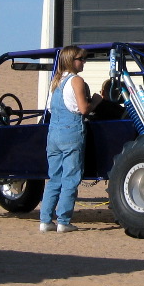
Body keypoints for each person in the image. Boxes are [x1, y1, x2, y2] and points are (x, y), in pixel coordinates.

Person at [39, 46, 102, 233]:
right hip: (71, 132)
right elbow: (83, 109)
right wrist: (98, 99)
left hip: (54, 133)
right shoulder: (76, 81)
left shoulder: (57, 81)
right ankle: (63, 221)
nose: (84, 62)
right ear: (70, 60)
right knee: (70, 178)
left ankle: (45, 219)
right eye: (81, 59)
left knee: (54, 178)